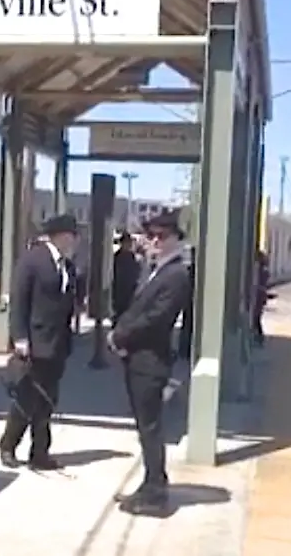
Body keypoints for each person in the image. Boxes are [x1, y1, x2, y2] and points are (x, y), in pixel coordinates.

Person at [107, 210, 191, 514]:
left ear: (176, 239)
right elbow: (136, 308)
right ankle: (151, 482)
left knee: (151, 428)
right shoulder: (155, 270)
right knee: (145, 428)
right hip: (139, 358)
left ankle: (156, 493)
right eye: (151, 235)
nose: (154, 240)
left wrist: (121, 336)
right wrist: (119, 332)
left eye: (162, 236)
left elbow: (156, 318)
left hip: (150, 360)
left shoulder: (177, 274)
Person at [0, 214, 78, 471]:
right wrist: (19, 337)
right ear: (62, 235)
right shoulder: (33, 260)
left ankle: (40, 452)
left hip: (57, 345)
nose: (75, 241)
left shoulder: (67, 265)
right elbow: (19, 301)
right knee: (26, 397)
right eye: (73, 235)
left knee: (47, 400)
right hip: (34, 342)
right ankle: (8, 445)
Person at [112, 231, 141, 326]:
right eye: (126, 243)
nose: (128, 245)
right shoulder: (117, 257)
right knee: (119, 312)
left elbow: (135, 271)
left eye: (129, 243)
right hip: (119, 289)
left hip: (129, 290)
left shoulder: (131, 256)